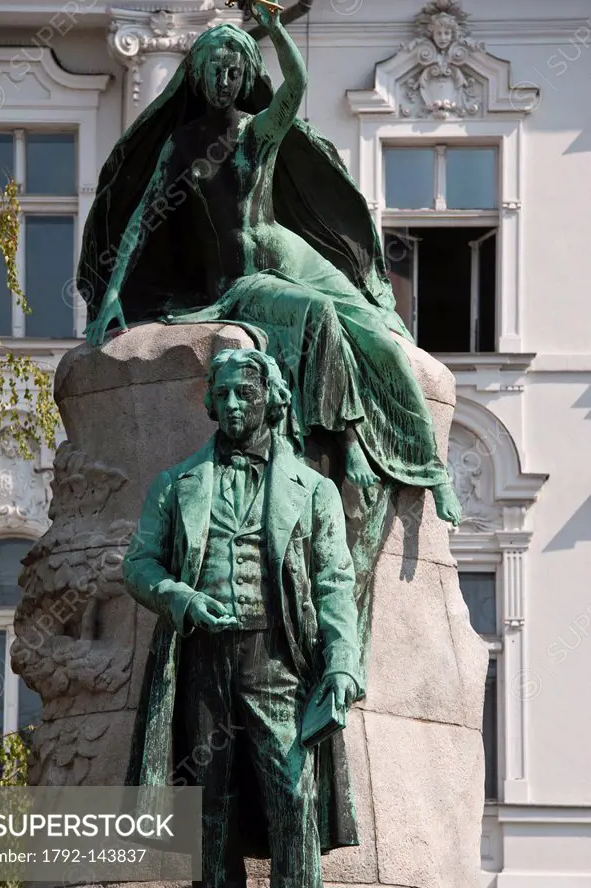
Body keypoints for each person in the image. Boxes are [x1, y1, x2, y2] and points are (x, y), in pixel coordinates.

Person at [78, 5, 461, 528]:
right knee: (319, 314)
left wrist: (277, 30)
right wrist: (114, 293)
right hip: (244, 280)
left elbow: (296, 87)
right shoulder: (182, 146)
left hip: (289, 253)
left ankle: (430, 467)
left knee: (376, 329)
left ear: (244, 78)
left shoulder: (258, 132)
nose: (225, 78)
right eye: (215, 68)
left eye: (235, 70)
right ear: (196, 73)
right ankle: (349, 439)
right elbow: (142, 222)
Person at [122, 349, 361, 888]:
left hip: (279, 662)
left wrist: (342, 664)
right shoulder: (176, 484)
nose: (232, 407)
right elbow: (137, 565)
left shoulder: (311, 490)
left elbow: (337, 582)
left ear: (269, 401)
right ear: (209, 402)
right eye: (222, 395)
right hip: (202, 662)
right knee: (209, 806)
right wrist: (179, 596)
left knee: (294, 800)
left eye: (244, 396)